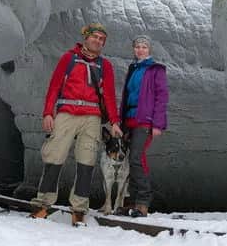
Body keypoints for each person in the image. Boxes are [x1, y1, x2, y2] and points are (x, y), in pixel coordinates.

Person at [30, 22, 122, 226]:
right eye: (95, 37)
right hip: (66, 113)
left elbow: (108, 95)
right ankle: (42, 204)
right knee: (54, 157)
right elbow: (54, 86)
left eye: (101, 39)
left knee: (86, 162)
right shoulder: (69, 58)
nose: (98, 41)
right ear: (86, 38)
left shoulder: (104, 65)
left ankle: (79, 209)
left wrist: (114, 122)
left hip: (92, 117)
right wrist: (48, 112)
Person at [118, 35, 169, 217]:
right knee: (130, 159)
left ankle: (143, 202)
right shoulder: (133, 68)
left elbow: (161, 97)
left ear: (149, 50)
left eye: (144, 47)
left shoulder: (156, 70)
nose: (140, 50)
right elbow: (127, 96)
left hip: (144, 120)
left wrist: (157, 124)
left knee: (137, 158)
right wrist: (120, 120)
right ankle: (130, 201)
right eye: (137, 46)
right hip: (129, 119)